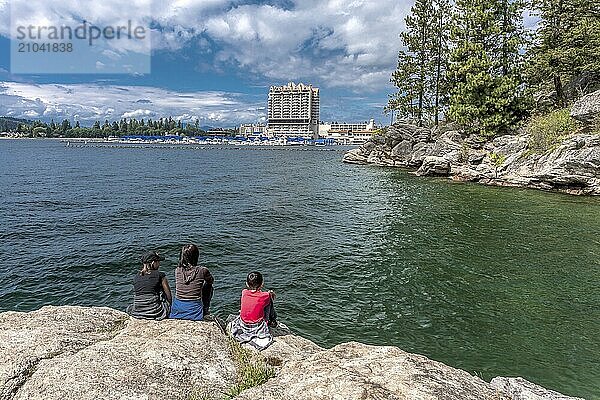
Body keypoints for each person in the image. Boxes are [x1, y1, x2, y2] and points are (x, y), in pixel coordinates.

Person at [227, 271, 277, 350]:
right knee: (269, 301)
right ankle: (273, 320)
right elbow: (266, 296)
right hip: (257, 326)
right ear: (262, 284)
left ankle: (271, 320)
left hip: (243, 324)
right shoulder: (265, 295)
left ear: (247, 284)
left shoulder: (244, 292)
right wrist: (270, 294)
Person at [169, 244, 214, 321]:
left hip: (178, 306)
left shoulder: (177, 270)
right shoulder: (203, 270)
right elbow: (211, 281)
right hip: (194, 309)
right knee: (209, 286)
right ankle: (205, 310)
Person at [126, 250, 172, 320]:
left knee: (129, 308)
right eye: (158, 262)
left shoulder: (136, 277)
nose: (159, 264)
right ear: (153, 263)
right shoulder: (160, 275)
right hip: (154, 311)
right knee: (166, 304)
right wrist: (168, 306)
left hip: (138, 311)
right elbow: (168, 296)